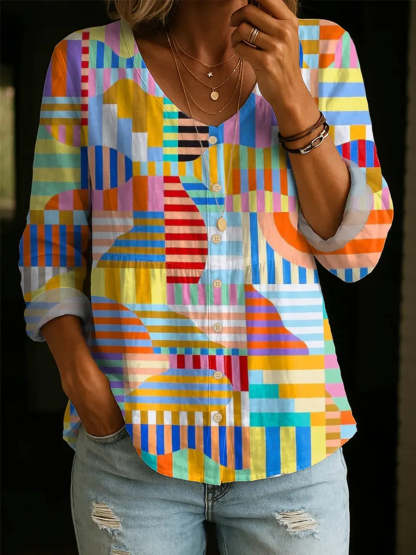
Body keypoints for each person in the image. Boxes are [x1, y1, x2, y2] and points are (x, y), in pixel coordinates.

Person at [17, 0, 394, 553]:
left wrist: (291, 94)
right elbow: (51, 245)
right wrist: (83, 384)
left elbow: (357, 253)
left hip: (292, 443)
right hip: (130, 446)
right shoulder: (84, 61)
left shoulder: (324, 51)